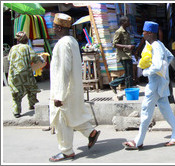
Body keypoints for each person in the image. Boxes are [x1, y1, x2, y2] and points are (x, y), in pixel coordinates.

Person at [122, 21, 175, 150]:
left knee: (146, 110)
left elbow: (156, 66)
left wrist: (145, 72)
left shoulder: (155, 46)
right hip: (161, 82)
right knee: (166, 110)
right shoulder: (159, 44)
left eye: (144, 32)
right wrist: (164, 70)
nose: (143, 34)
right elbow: (170, 56)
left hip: (155, 83)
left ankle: (138, 141)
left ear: (149, 33)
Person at [49, 13, 100, 162]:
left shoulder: (64, 43)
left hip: (64, 89)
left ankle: (66, 151)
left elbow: (64, 69)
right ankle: (91, 133)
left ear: (59, 28)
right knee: (73, 115)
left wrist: (59, 94)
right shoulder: (71, 41)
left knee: (62, 119)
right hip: (71, 87)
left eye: (54, 27)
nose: (53, 29)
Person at [8, 31, 46, 118]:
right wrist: (41, 58)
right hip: (25, 74)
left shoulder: (13, 48)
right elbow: (34, 58)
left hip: (13, 74)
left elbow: (10, 59)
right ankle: (32, 104)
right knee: (31, 88)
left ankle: (16, 111)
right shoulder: (26, 47)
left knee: (16, 93)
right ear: (26, 40)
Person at [109, 16, 135, 94]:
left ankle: (115, 84)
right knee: (128, 75)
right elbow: (114, 44)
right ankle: (127, 90)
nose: (129, 23)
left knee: (129, 74)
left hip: (128, 55)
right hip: (123, 56)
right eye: (127, 21)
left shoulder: (126, 31)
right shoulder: (119, 31)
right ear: (123, 22)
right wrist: (127, 46)